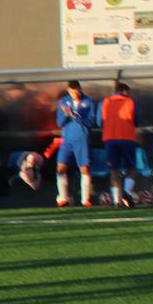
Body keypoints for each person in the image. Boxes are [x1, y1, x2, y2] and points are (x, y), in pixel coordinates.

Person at [53, 80, 97, 208]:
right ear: (68, 91)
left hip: (82, 139)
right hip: (67, 140)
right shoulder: (64, 102)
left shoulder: (87, 101)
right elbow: (59, 123)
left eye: (76, 90)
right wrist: (66, 115)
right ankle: (62, 198)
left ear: (80, 89)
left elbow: (90, 122)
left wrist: (75, 115)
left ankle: (85, 199)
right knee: (60, 167)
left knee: (84, 168)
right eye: (72, 91)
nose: (74, 93)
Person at [100, 81, 139, 207]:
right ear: (125, 91)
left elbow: (101, 120)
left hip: (110, 139)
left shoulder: (106, 102)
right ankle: (127, 192)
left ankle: (117, 201)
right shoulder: (130, 102)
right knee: (131, 167)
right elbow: (135, 120)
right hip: (127, 138)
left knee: (114, 169)